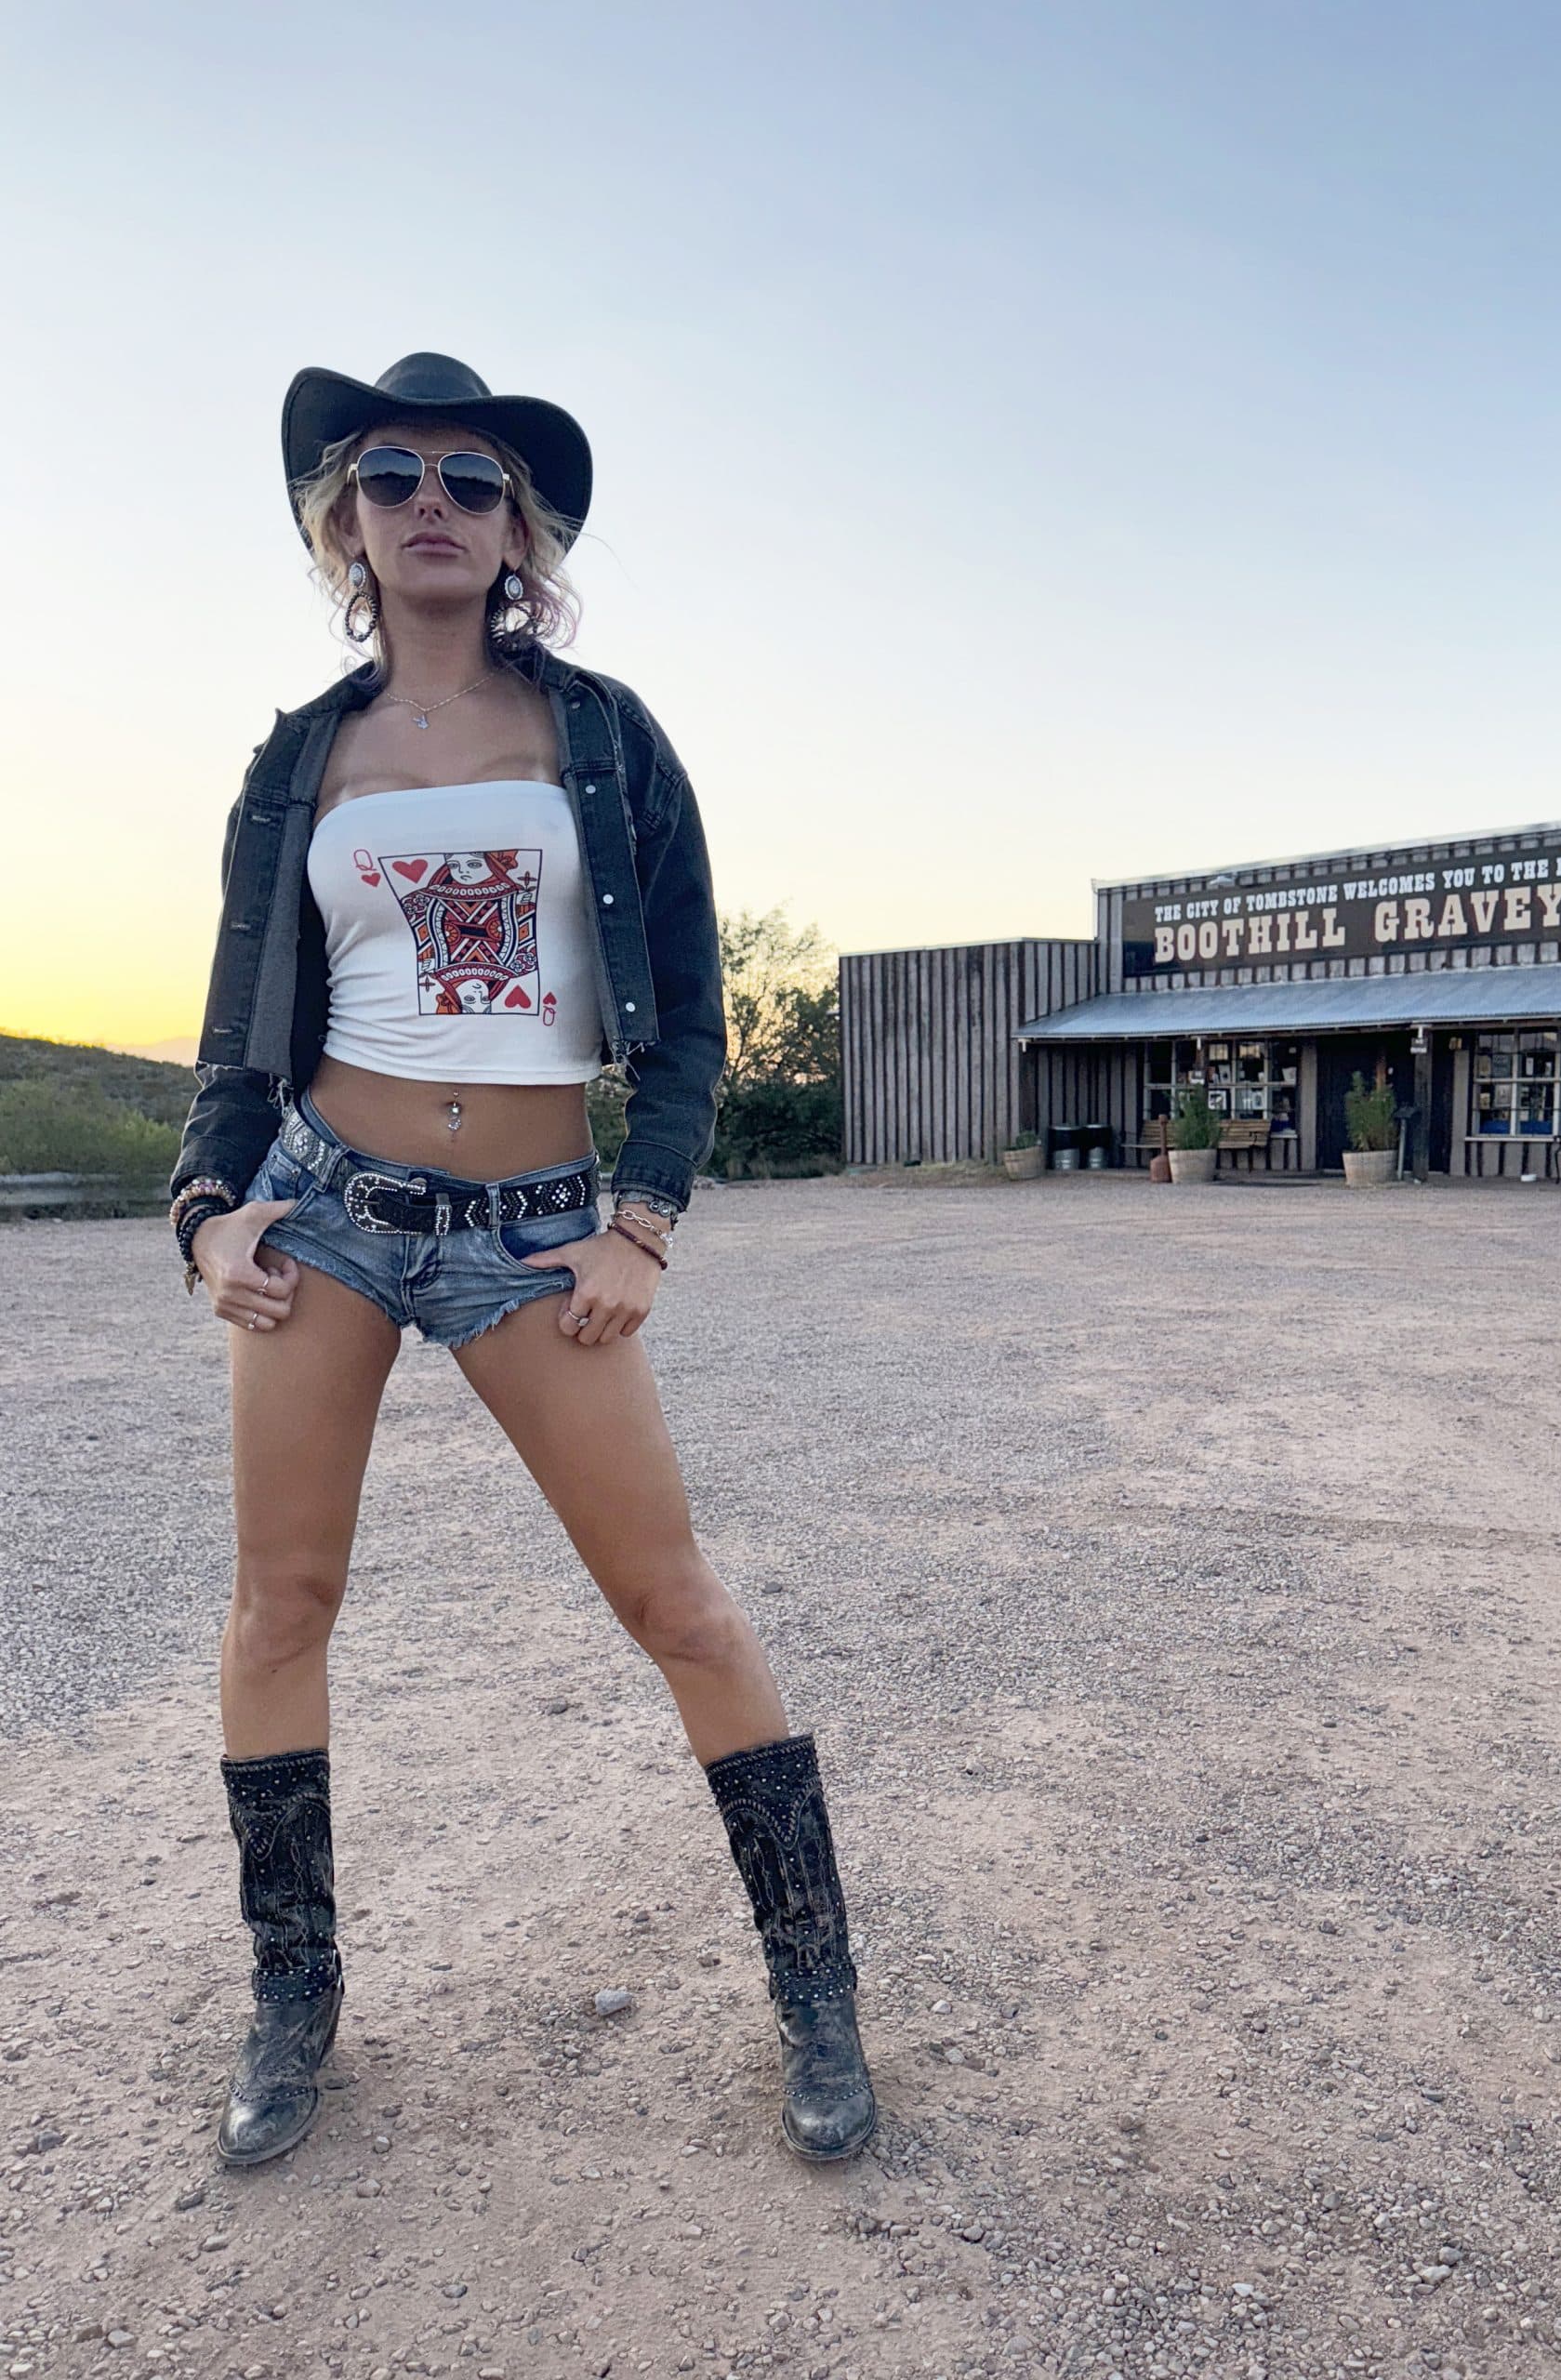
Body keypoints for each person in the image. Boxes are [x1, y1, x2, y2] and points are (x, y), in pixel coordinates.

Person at [167, 351, 877, 2171]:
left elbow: (696, 1017)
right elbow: (242, 1031)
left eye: (469, 480)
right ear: (343, 517)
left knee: (681, 1604)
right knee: (281, 1606)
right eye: (389, 470)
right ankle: (293, 2000)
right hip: (326, 1205)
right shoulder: (298, 758)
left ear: (518, 531)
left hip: (532, 1229)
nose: (427, 500)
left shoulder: (606, 738)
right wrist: (206, 1207)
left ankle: (817, 1996)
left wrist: (642, 1214)